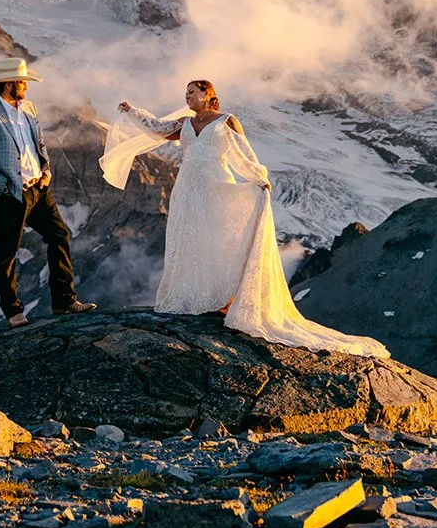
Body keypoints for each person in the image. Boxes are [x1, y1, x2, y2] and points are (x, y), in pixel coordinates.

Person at [102, 79, 388, 357]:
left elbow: (242, 154)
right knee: (191, 240)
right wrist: (131, 111)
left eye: (192, 91)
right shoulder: (185, 124)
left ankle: (224, 300)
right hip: (187, 189)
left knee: (221, 239)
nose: (186, 96)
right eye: (185, 92)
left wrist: (258, 179)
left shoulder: (226, 120)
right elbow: (157, 129)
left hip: (217, 184)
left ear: (207, 93)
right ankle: (198, 298)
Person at [0, 56, 96, 328]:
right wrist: (3, 186)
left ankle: (64, 300)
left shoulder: (30, 108)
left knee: (59, 235)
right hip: (12, 193)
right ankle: (13, 311)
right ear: (7, 84)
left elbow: (39, 144)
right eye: (22, 82)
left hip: (39, 189)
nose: (26, 87)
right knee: (8, 251)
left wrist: (47, 171)